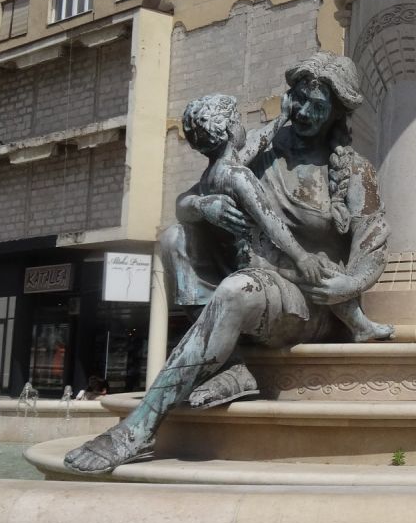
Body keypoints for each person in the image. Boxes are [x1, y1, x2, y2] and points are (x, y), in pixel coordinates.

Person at [63, 53, 392, 473]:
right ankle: (232, 366)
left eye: (318, 105)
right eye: (299, 99)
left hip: (312, 302)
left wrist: (347, 286)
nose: (304, 112)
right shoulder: (260, 150)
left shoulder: (355, 171)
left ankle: (140, 427)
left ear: (337, 111)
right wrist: (205, 206)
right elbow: (185, 203)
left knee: (239, 290)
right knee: (175, 237)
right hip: (257, 276)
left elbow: (373, 243)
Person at [179, 92, 390, 343]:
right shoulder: (239, 174)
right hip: (262, 258)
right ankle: (361, 326)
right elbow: (271, 222)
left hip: (256, 258)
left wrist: (280, 118)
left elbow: (254, 145)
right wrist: (302, 257)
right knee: (322, 271)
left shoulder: (216, 172)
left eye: (318, 105)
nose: (304, 112)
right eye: (237, 120)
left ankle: (360, 325)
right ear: (229, 130)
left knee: (323, 271)